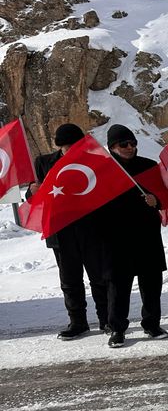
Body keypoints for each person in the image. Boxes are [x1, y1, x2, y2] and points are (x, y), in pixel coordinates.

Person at [26, 123, 109, 340]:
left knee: (99, 277)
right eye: (69, 146)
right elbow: (35, 197)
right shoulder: (44, 163)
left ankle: (106, 319)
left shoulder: (96, 161)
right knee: (70, 280)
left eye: (77, 145)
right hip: (61, 231)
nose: (73, 150)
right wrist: (32, 192)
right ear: (60, 146)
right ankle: (77, 322)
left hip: (92, 229)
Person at [100, 124, 168, 348]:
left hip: (147, 235)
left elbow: (165, 195)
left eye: (133, 143)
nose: (130, 147)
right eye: (124, 144)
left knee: (151, 283)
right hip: (116, 238)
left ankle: (152, 324)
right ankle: (117, 329)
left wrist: (156, 200)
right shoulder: (102, 171)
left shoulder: (149, 166)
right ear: (112, 147)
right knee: (118, 287)